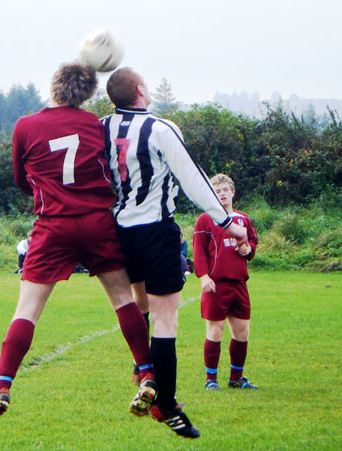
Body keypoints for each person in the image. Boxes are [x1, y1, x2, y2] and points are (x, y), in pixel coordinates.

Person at [0, 62, 156, 432]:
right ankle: (147, 373)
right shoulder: (93, 123)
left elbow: (21, 179)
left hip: (53, 224)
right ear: (86, 94)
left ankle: (1, 386)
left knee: (27, 310)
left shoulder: (26, 125)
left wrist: (49, 189)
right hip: (96, 221)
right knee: (123, 299)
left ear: (54, 86)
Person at [102, 67, 248, 439]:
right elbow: (192, 178)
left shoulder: (100, 127)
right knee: (166, 320)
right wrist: (227, 221)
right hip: (155, 231)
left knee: (138, 305)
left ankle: (144, 371)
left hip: (116, 233)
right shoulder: (160, 128)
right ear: (140, 89)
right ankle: (165, 405)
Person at [193, 173, 259, 391]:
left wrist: (249, 249)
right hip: (216, 284)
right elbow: (199, 251)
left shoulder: (243, 219)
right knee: (215, 330)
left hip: (239, 283)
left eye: (225, 190)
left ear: (232, 192)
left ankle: (236, 378)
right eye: (217, 191)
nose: (221, 194)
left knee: (242, 332)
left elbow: (252, 242)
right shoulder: (205, 219)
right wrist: (203, 276)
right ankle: (210, 379)